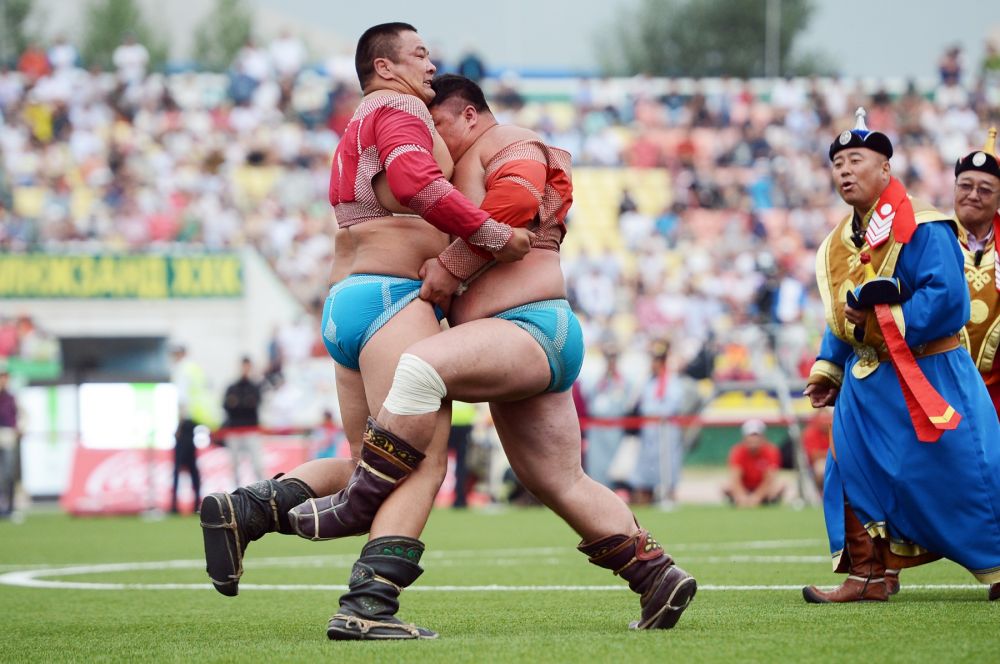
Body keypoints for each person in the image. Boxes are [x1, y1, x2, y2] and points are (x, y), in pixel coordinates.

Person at [290, 74, 696, 638]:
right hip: (504, 341)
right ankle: (656, 574)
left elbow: (516, 201)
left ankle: (361, 501)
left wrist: (449, 268)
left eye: (440, 123)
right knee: (557, 480)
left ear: (472, 114)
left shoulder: (513, 140)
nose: (432, 134)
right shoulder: (452, 170)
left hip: (530, 325)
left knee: (421, 365)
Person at [199, 23, 532, 601]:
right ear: (385, 66)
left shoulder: (359, 121)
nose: (432, 65)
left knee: (366, 465)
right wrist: (490, 232)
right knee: (423, 463)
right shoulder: (400, 106)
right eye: (421, 54)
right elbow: (413, 179)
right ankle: (370, 603)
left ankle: (244, 510)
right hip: (391, 300)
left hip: (347, 302)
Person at [801, 109, 1000, 603]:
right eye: (838, 162)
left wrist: (889, 322)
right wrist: (828, 367)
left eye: (856, 160)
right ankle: (866, 575)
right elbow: (842, 315)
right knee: (849, 466)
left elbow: (947, 298)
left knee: (967, 473)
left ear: (886, 171)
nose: (844, 170)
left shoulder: (926, 225)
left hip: (930, 372)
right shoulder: (838, 243)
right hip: (867, 380)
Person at [953, 128, 1000, 417]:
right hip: (941, 389)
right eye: (965, 186)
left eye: (985, 190)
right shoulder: (928, 240)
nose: (973, 195)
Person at [630, 343, 684, 506]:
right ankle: (647, 497)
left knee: (668, 465)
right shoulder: (647, 381)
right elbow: (639, 403)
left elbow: (672, 405)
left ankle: (668, 496)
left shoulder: (672, 381)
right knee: (646, 469)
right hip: (649, 430)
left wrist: (655, 411)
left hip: (666, 430)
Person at [580, 347, 633, 490]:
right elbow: (589, 398)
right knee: (596, 464)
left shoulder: (624, 382)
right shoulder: (597, 380)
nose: (611, 363)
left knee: (614, 466)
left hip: (615, 429)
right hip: (597, 429)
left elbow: (627, 404)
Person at [169, 345, 211, 514]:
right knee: (192, 466)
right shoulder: (194, 369)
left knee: (179, 466)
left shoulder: (182, 370)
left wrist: (178, 426)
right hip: (194, 421)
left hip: (185, 423)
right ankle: (197, 503)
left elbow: (182, 399)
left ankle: (174, 506)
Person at [221, 356, 265, 487]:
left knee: (257, 465)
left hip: (250, 430)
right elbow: (227, 405)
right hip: (234, 430)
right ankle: (235, 494)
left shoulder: (254, 387)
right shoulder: (232, 387)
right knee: (234, 466)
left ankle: (262, 491)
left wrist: (238, 403)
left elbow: (253, 404)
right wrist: (243, 403)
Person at [723, 419, 784, 507]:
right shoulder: (737, 451)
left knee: (780, 486)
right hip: (745, 487)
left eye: (756, 435)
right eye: (751, 435)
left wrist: (757, 497)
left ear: (763, 437)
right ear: (744, 438)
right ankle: (740, 499)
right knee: (725, 486)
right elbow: (735, 477)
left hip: (763, 488)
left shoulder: (771, 451)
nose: (754, 439)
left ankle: (765, 500)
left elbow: (770, 478)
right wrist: (742, 496)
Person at [0, 370, 20, 517]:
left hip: (7, 436)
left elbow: (21, 415)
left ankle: (10, 507)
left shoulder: (10, 397)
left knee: (8, 473)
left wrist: (18, 429)